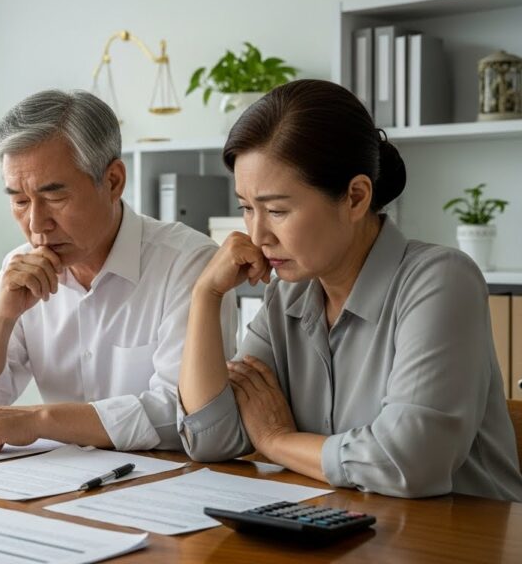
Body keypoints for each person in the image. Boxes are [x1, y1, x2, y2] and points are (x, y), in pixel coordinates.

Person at [178, 78, 522, 501]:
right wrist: (205, 295)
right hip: (345, 532)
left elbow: (408, 462)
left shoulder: (441, 281)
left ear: (356, 197)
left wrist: (275, 440)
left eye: (277, 210)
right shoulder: (286, 296)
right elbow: (214, 439)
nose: (258, 234)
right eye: (246, 208)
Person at [0, 89, 236, 454]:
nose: (36, 224)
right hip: (64, 488)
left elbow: (185, 416)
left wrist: (41, 421)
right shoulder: (23, 268)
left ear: (113, 181)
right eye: (19, 201)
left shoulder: (188, 264)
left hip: (165, 484)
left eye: (55, 197)